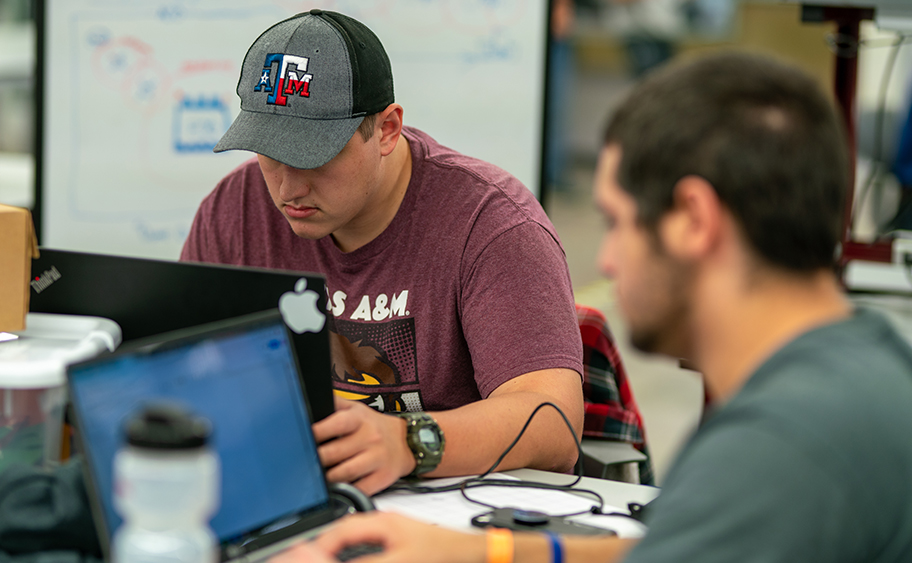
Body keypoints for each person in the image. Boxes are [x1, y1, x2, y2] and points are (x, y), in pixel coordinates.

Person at [271, 51, 912, 562]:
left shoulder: (781, 447)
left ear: (693, 220)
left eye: (617, 222)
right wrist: (470, 552)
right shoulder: (863, 367)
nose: (605, 261)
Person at [180, 9, 585, 496]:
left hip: (453, 518)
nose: (288, 188)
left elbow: (554, 421)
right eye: (269, 153)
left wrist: (407, 443)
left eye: (314, 155)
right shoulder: (234, 211)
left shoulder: (491, 223)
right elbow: (179, 372)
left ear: (388, 130)